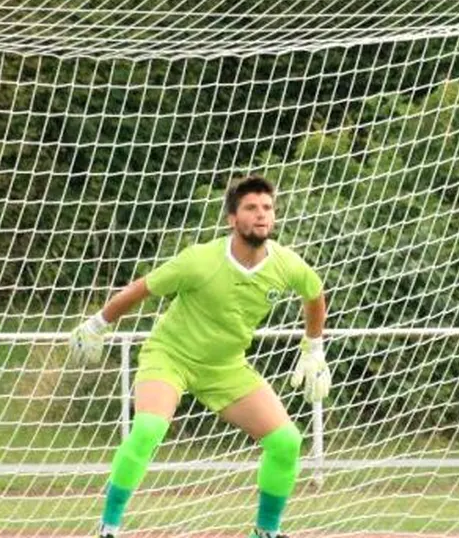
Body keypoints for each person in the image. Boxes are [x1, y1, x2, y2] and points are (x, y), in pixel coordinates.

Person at [69, 175, 331, 538]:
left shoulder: (286, 264)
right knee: (147, 430)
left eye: (267, 208)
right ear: (231, 219)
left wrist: (313, 347)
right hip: (170, 357)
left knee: (287, 441)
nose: (261, 215)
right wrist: (98, 324)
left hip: (224, 367)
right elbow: (140, 289)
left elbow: (314, 294)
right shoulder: (200, 260)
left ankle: (265, 533)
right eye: (251, 208)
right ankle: (108, 528)